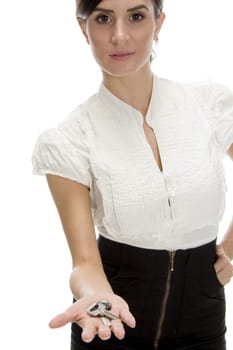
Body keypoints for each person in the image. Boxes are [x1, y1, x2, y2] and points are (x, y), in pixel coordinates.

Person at [31, 0, 233, 349]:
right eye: (103, 18)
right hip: (110, 325)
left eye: (136, 17)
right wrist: (99, 298)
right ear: (84, 29)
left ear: (159, 23)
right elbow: (84, 263)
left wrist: (230, 250)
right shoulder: (69, 139)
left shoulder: (207, 106)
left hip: (203, 322)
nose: (119, 35)